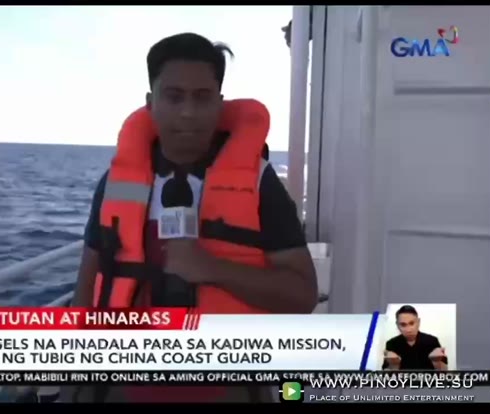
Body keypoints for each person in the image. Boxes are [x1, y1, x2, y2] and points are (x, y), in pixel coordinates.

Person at [67, 33, 318, 403]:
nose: (187, 112)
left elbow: (302, 295)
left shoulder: (260, 184)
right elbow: (88, 284)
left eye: (202, 98)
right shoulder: (116, 184)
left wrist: (212, 268)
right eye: (174, 97)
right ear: (151, 103)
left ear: (219, 104)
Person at [382, 305, 448, 371]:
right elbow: (386, 374)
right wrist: (394, 365)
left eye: (412, 323)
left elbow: (445, 372)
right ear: (397, 325)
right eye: (403, 325)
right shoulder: (391, 344)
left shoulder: (432, 341)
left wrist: (436, 362)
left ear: (418, 322)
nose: (408, 330)